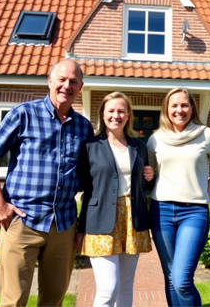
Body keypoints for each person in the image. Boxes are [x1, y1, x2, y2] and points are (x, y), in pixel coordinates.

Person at [0, 59, 93, 307]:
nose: (67, 85)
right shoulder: (24, 114)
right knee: (13, 301)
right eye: (62, 79)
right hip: (23, 221)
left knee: (53, 300)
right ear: (50, 81)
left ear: (81, 87)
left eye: (73, 81)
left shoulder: (84, 127)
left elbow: (89, 177)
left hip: (63, 225)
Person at [147, 87, 210, 307]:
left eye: (184, 105)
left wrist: (208, 184)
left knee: (182, 280)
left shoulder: (206, 134)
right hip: (161, 211)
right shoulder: (155, 139)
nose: (179, 110)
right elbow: (151, 171)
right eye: (174, 105)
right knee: (171, 277)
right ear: (166, 109)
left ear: (192, 108)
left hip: (194, 212)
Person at [75, 92, 154, 307]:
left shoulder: (139, 146)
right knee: (108, 288)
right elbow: (85, 189)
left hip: (132, 221)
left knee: (126, 286)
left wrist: (149, 177)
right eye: (111, 110)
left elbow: (143, 186)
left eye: (121, 111)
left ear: (128, 115)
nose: (116, 115)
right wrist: (80, 228)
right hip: (99, 221)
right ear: (103, 113)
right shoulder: (90, 145)